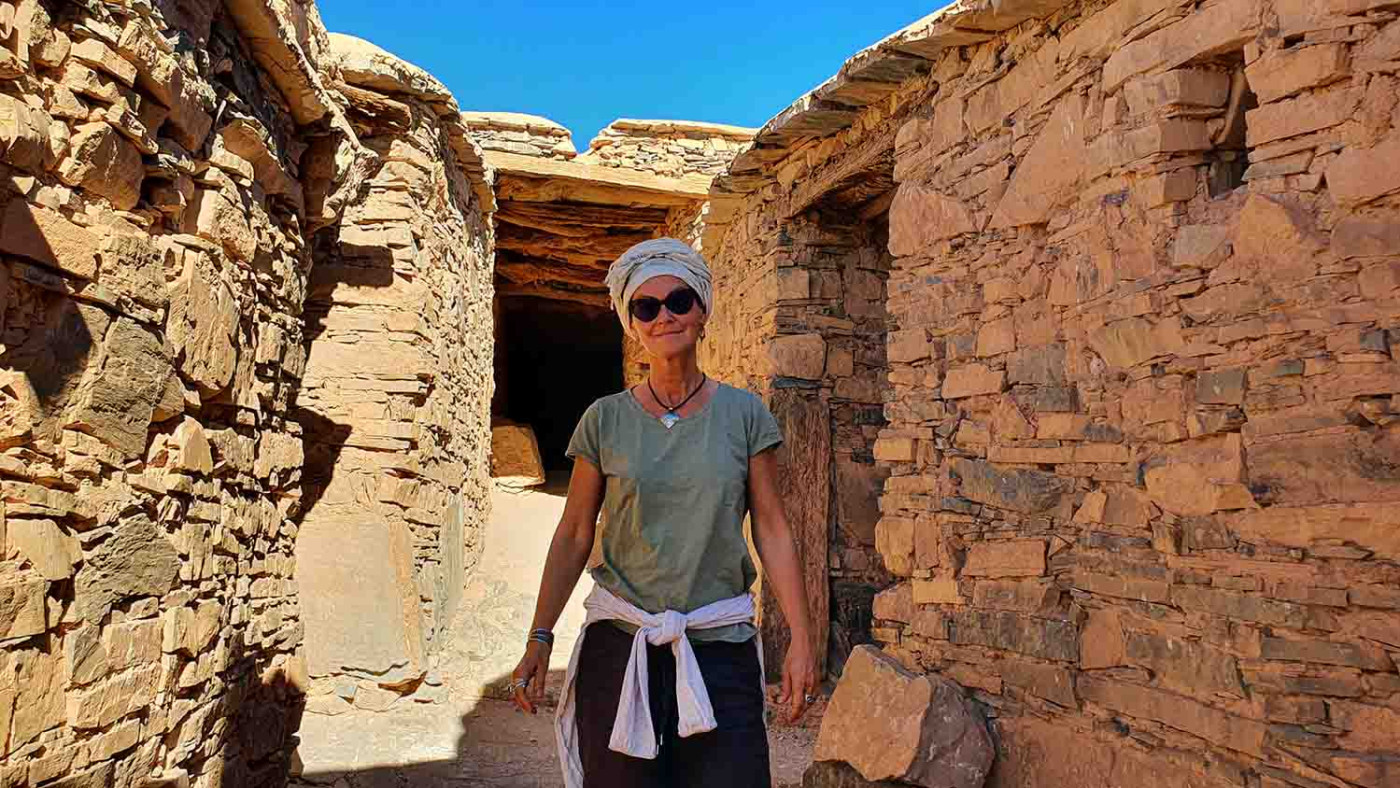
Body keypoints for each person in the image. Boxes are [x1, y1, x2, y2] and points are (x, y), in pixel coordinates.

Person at [508, 237, 819, 788]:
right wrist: (540, 635)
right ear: (632, 324)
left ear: (702, 311)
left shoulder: (744, 415)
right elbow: (575, 533)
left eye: (678, 301)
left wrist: (801, 635)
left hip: (718, 647)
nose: (664, 317)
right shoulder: (605, 420)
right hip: (620, 645)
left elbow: (771, 527)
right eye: (646, 307)